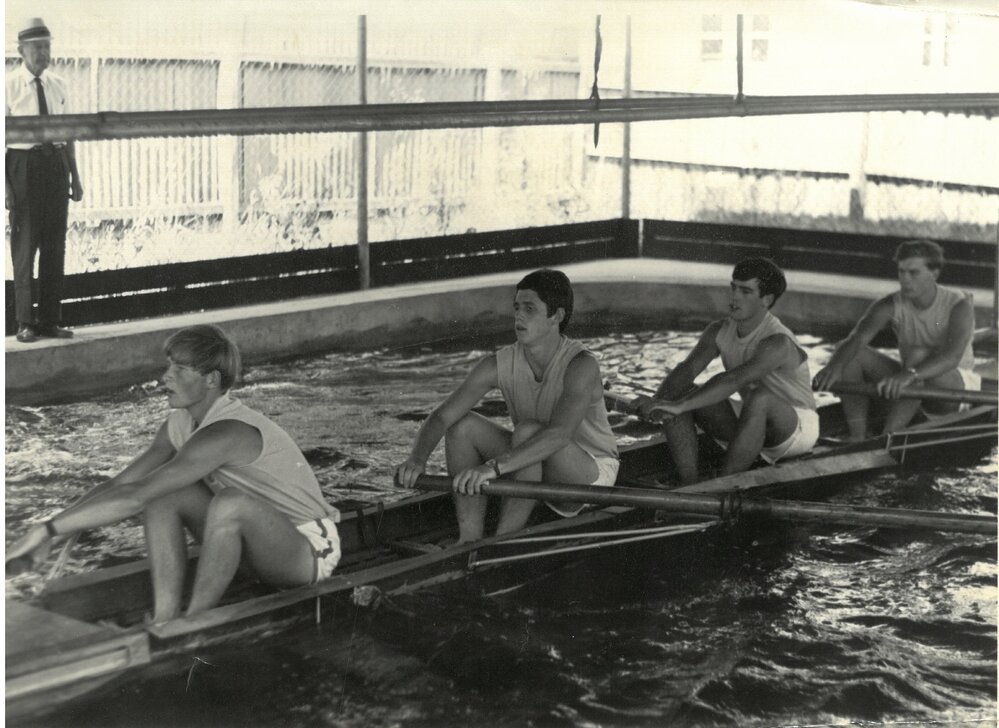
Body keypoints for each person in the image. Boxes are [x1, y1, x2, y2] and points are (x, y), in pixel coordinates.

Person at [5, 325, 341, 622]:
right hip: (256, 545)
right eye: (169, 366)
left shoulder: (227, 430)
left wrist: (45, 528)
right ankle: (165, 619)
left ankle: (194, 621)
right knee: (164, 493)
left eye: (179, 369)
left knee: (229, 502)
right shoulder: (179, 423)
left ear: (211, 379)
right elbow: (123, 484)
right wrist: (53, 533)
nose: (165, 377)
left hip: (308, 554)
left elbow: (133, 498)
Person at [394, 269, 619, 543]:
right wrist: (417, 459)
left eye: (530, 309)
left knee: (526, 432)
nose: (518, 316)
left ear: (556, 317)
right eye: (516, 308)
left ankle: (502, 543)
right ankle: (469, 540)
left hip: (590, 475)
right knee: (462, 426)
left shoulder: (581, 364)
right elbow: (442, 416)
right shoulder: (499, 364)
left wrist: (492, 468)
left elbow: (559, 434)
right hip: (532, 459)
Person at [638, 257, 818, 484]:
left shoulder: (778, 342)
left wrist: (679, 407)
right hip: (752, 419)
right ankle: (690, 486)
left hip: (797, 429)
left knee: (759, 398)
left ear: (766, 299)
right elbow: (686, 370)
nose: (734, 297)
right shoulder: (718, 331)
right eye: (733, 288)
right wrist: (658, 403)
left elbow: (734, 379)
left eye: (745, 291)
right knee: (680, 392)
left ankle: (722, 485)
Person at [812, 239, 979, 440]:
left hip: (954, 390)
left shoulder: (959, 305)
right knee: (849, 354)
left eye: (913, 272)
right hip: (911, 382)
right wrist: (835, 367)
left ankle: (885, 438)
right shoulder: (889, 304)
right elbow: (856, 339)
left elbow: (951, 358)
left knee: (917, 357)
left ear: (933, 274)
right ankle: (858, 436)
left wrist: (910, 374)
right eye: (901, 271)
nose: (905, 279)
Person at [5, 17, 84, 343]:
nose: (43, 52)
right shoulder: (7, 87)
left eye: (47, 46)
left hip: (55, 167)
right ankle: (26, 322)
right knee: (25, 247)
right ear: (21, 50)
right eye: (37, 47)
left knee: (55, 246)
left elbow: (68, 134)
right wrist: (5, 187)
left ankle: (51, 319)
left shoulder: (59, 84)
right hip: (23, 167)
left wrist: (75, 177)